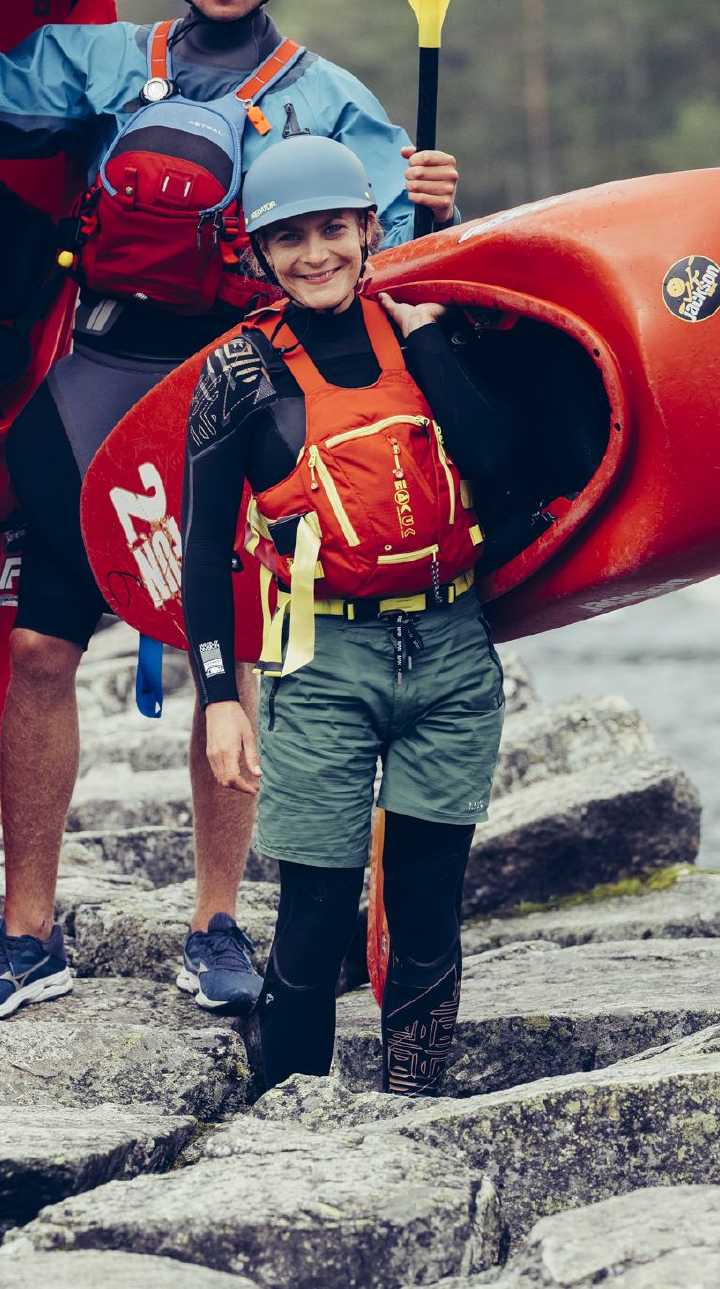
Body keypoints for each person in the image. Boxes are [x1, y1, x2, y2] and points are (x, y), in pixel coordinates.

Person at [0, 0, 460, 1023]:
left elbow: (390, 249)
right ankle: (26, 933)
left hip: (233, 384)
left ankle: (215, 922)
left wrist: (436, 197)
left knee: (231, 661)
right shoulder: (112, 60)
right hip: (95, 373)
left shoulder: (324, 97)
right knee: (37, 653)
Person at [186, 133, 548, 1096]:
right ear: (259, 252)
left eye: (334, 231)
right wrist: (223, 696)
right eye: (290, 238)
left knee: (427, 908)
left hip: (451, 651)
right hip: (321, 660)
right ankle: (290, 1118)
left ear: (367, 230)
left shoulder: (425, 327)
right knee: (313, 912)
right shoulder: (236, 375)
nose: (315, 255)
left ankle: (416, 1096)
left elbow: (500, 456)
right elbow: (199, 553)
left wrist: (429, 334)